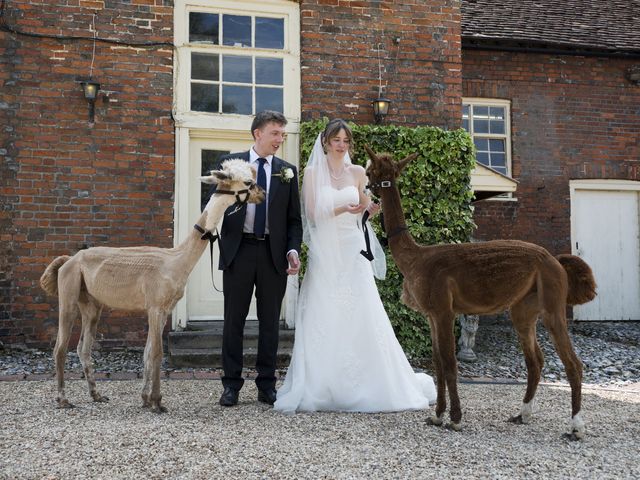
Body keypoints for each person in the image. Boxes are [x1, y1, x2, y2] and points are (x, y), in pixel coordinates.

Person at [274, 119, 436, 413]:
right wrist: (340, 208)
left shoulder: (359, 172)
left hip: (351, 248)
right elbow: (311, 212)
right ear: (325, 142)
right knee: (324, 312)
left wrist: (370, 210)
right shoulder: (312, 173)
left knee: (363, 311)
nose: (342, 145)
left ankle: (373, 383)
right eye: (336, 139)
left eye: (346, 140)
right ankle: (322, 384)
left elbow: (364, 209)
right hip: (326, 253)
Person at [203, 111, 303, 407]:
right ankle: (231, 385)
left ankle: (266, 384)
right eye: (275, 133)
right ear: (257, 133)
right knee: (233, 321)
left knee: (270, 322)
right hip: (239, 251)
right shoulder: (231, 163)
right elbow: (211, 203)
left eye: (282, 134)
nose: (280, 139)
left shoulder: (287, 172)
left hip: (273, 254)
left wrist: (292, 249)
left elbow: (294, 220)